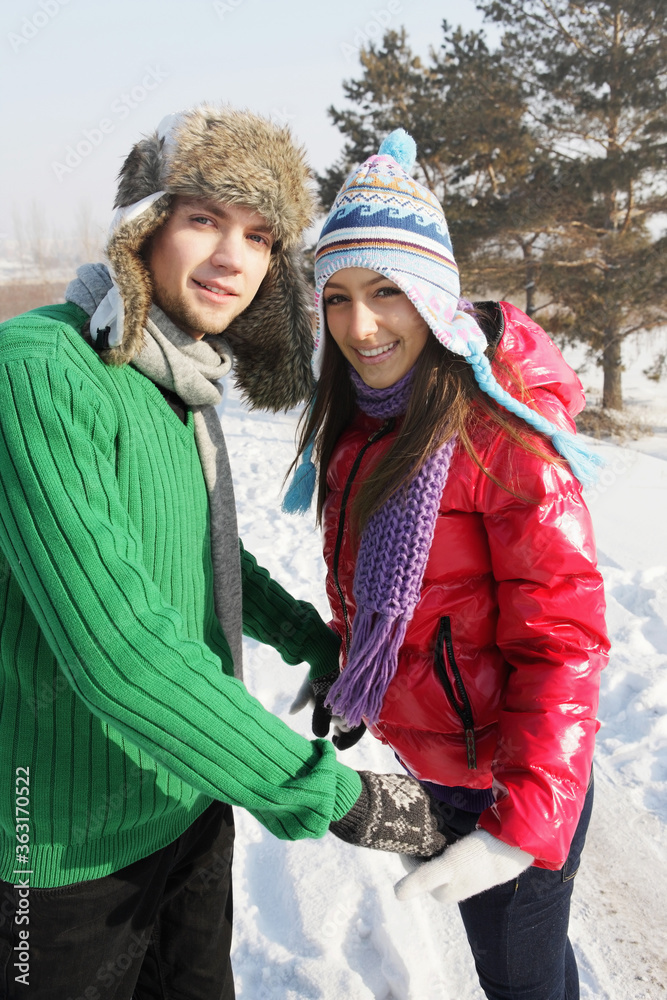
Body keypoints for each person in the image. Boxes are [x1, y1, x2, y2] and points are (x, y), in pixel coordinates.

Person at [0, 109, 450, 1000]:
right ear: (145, 223)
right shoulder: (41, 371)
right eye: (204, 218)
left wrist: (314, 642)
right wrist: (331, 795)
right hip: (56, 857)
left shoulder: (180, 373)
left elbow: (207, 546)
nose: (232, 259)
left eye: (258, 235)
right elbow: (118, 649)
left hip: (192, 804)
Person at [286, 129, 610, 1000]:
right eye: (339, 296)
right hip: (446, 765)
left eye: (387, 290)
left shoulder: (502, 438)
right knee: (513, 969)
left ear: (432, 294)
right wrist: (353, 658)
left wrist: (521, 826)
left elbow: (565, 644)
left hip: (515, 776)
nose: (359, 325)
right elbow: (389, 587)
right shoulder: (365, 423)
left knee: (522, 979)